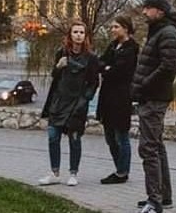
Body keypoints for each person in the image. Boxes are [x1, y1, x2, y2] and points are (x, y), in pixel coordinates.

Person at [130, 0, 176, 213]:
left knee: (148, 148)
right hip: (150, 96)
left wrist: (144, 83)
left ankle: (155, 202)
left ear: (159, 11)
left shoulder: (168, 33)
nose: (144, 12)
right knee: (157, 146)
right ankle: (164, 197)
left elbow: (168, 67)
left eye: (148, 8)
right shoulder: (160, 31)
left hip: (154, 98)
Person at [38, 19, 99, 187]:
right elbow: (54, 76)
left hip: (77, 103)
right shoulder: (62, 53)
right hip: (59, 101)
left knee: (74, 139)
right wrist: (58, 66)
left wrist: (85, 98)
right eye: (75, 32)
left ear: (85, 36)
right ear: (70, 35)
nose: (78, 35)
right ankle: (54, 172)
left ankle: (73, 173)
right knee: (52, 136)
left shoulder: (91, 58)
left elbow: (94, 82)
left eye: (81, 32)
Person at [96, 15, 140, 184]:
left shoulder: (131, 49)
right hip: (107, 96)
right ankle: (118, 168)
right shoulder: (114, 46)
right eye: (112, 27)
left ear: (125, 28)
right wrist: (106, 67)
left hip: (121, 97)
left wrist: (107, 69)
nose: (112, 30)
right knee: (109, 137)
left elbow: (119, 72)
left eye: (116, 27)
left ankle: (122, 172)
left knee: (121, 136)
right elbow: (101, 62)